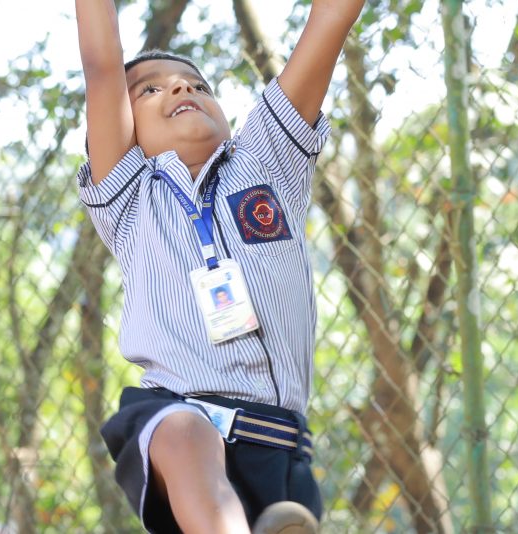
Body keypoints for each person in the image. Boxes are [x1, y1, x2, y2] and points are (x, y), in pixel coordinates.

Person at [73, 1, 363, 532]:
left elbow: (331, 18)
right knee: (187, 433)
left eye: (198, 85)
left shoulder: (267, 161)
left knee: (282, 518)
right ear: (124, 132)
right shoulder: (130, 197)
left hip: (280, 445)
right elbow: (101, 64)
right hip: (175, 418)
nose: (183, 90)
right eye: (151, 90)